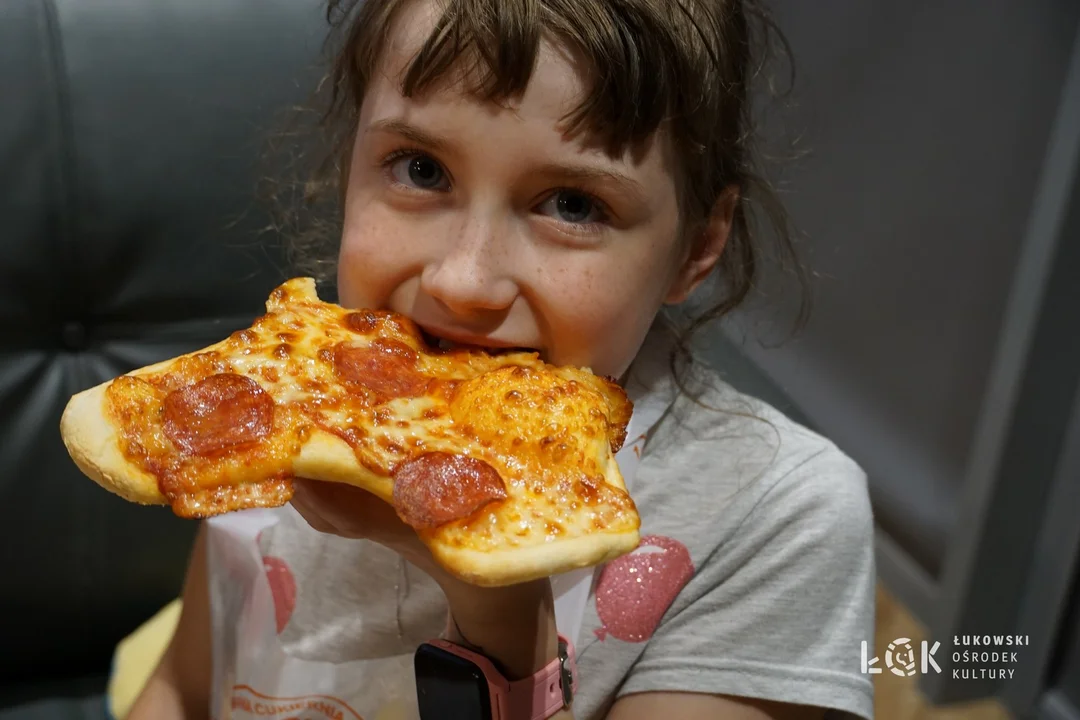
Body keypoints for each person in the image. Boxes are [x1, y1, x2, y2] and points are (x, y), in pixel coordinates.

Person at [125, 0, 875, 718]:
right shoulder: (286, 394)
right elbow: (187, 690)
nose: (464, 280)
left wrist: (498, 606)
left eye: (574, 205)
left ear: (698, 248)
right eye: (420, 169)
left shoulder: (777, 517)